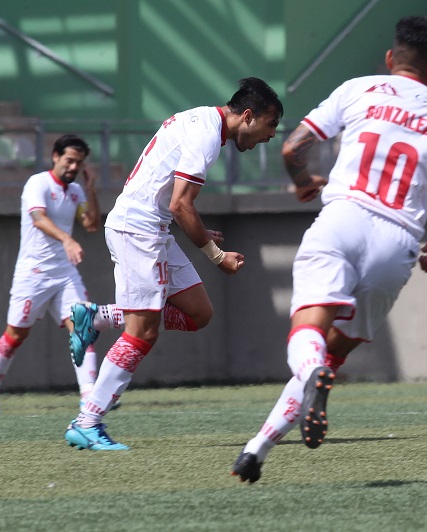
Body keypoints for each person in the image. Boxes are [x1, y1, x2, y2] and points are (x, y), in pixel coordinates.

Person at [231, 16, 427, 483]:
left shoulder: (358, 89)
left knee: (307, 339)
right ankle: (256, 451)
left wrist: (303, 182)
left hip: (343, 219)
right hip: (399, 242)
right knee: (329, 357)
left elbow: (292, 149)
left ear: (390, 59)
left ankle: (308, 380)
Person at [64, 77, 284, 451]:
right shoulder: (206, 138)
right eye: (270, 125)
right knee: (143, 332)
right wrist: (216, 256)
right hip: (138, 231)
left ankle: (99, 316)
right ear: (248, 116)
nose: (271, 136)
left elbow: (172, 201)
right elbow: (179, 204)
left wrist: (197, 230)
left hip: (154, 230)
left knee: (199, 313)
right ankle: (87, 422)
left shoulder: (202, 120)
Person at [0, 134, 102, 416]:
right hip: (33, 274)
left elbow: (92, 224)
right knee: (15, 336)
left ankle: (89, 399)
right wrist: (67, 240)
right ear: (55, 156)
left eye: (78, 163)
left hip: (64, 274)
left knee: (83, 330)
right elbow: (39, 218)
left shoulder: (76, 192)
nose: (73, 167)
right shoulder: (38, 183)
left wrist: (92, 190)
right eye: (69, 160)